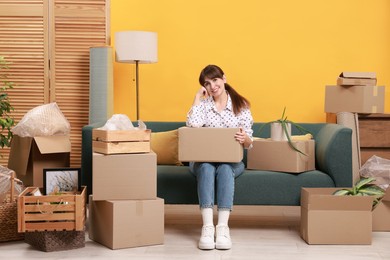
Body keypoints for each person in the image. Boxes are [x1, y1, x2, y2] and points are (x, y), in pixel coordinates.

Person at [186, 64, 253, 250]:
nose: (212, 86)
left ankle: (222, 228)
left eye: (215, 80)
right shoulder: (204, 106)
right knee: (207, 166)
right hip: (203, 161)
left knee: (224, 168)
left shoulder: (241, 105)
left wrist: (245, 138)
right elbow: (194, 125)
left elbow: (249, 142)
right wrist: (197, 98)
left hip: (231, 162)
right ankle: (207, 227)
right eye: (207, 84)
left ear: (224, 78)